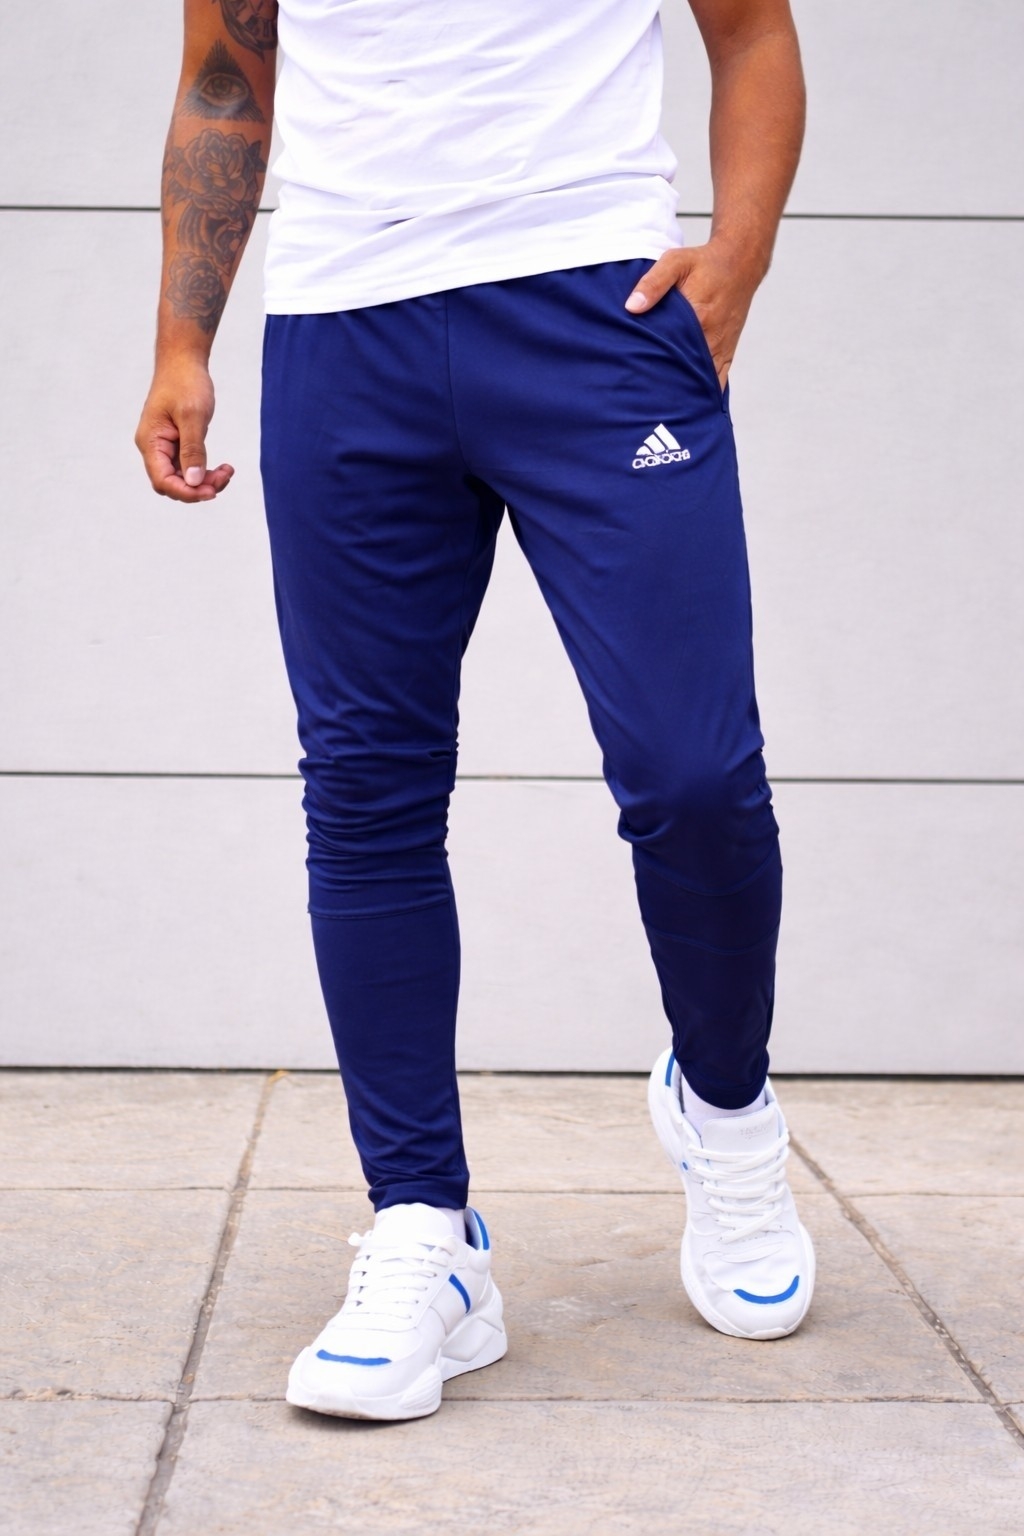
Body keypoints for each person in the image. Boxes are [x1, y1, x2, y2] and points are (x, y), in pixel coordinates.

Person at [136, 0, 811, 1422]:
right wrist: (181, 342)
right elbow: (223, 76)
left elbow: (752, 32)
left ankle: (726, 1106)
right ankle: (424, 1230)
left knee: (693, 773)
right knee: (365, 788)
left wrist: (738, 257)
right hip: (342, 326)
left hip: (597, 311)